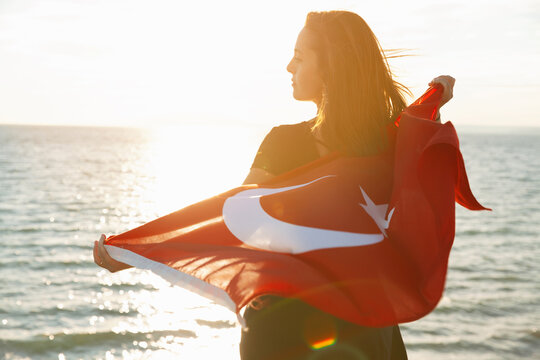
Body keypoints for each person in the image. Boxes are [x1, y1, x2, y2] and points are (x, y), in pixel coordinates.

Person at [94, 10, 455, 360]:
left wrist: (137, 252)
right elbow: (420, 179)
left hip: (284, 328)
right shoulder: (392, 144)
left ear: (330, 65)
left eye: (299, 58)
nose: (288, 67)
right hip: (368, 324)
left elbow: (236, 218)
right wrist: (433, 103)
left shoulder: (286, 143)